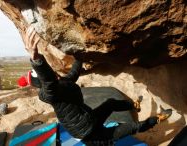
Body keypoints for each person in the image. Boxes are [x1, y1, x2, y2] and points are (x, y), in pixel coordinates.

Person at [23, 27, 172, 145]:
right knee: (132, 127)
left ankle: (134, 104)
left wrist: (79, 55)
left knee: (111, 103)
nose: (55, 74)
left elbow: (73, 73)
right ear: (42, 83)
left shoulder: (62, 82)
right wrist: (37, 59)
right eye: (50, 77)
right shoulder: (49, 94)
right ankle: (158, 119)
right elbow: (49, 82)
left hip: (88, 119)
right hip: (89, 134)